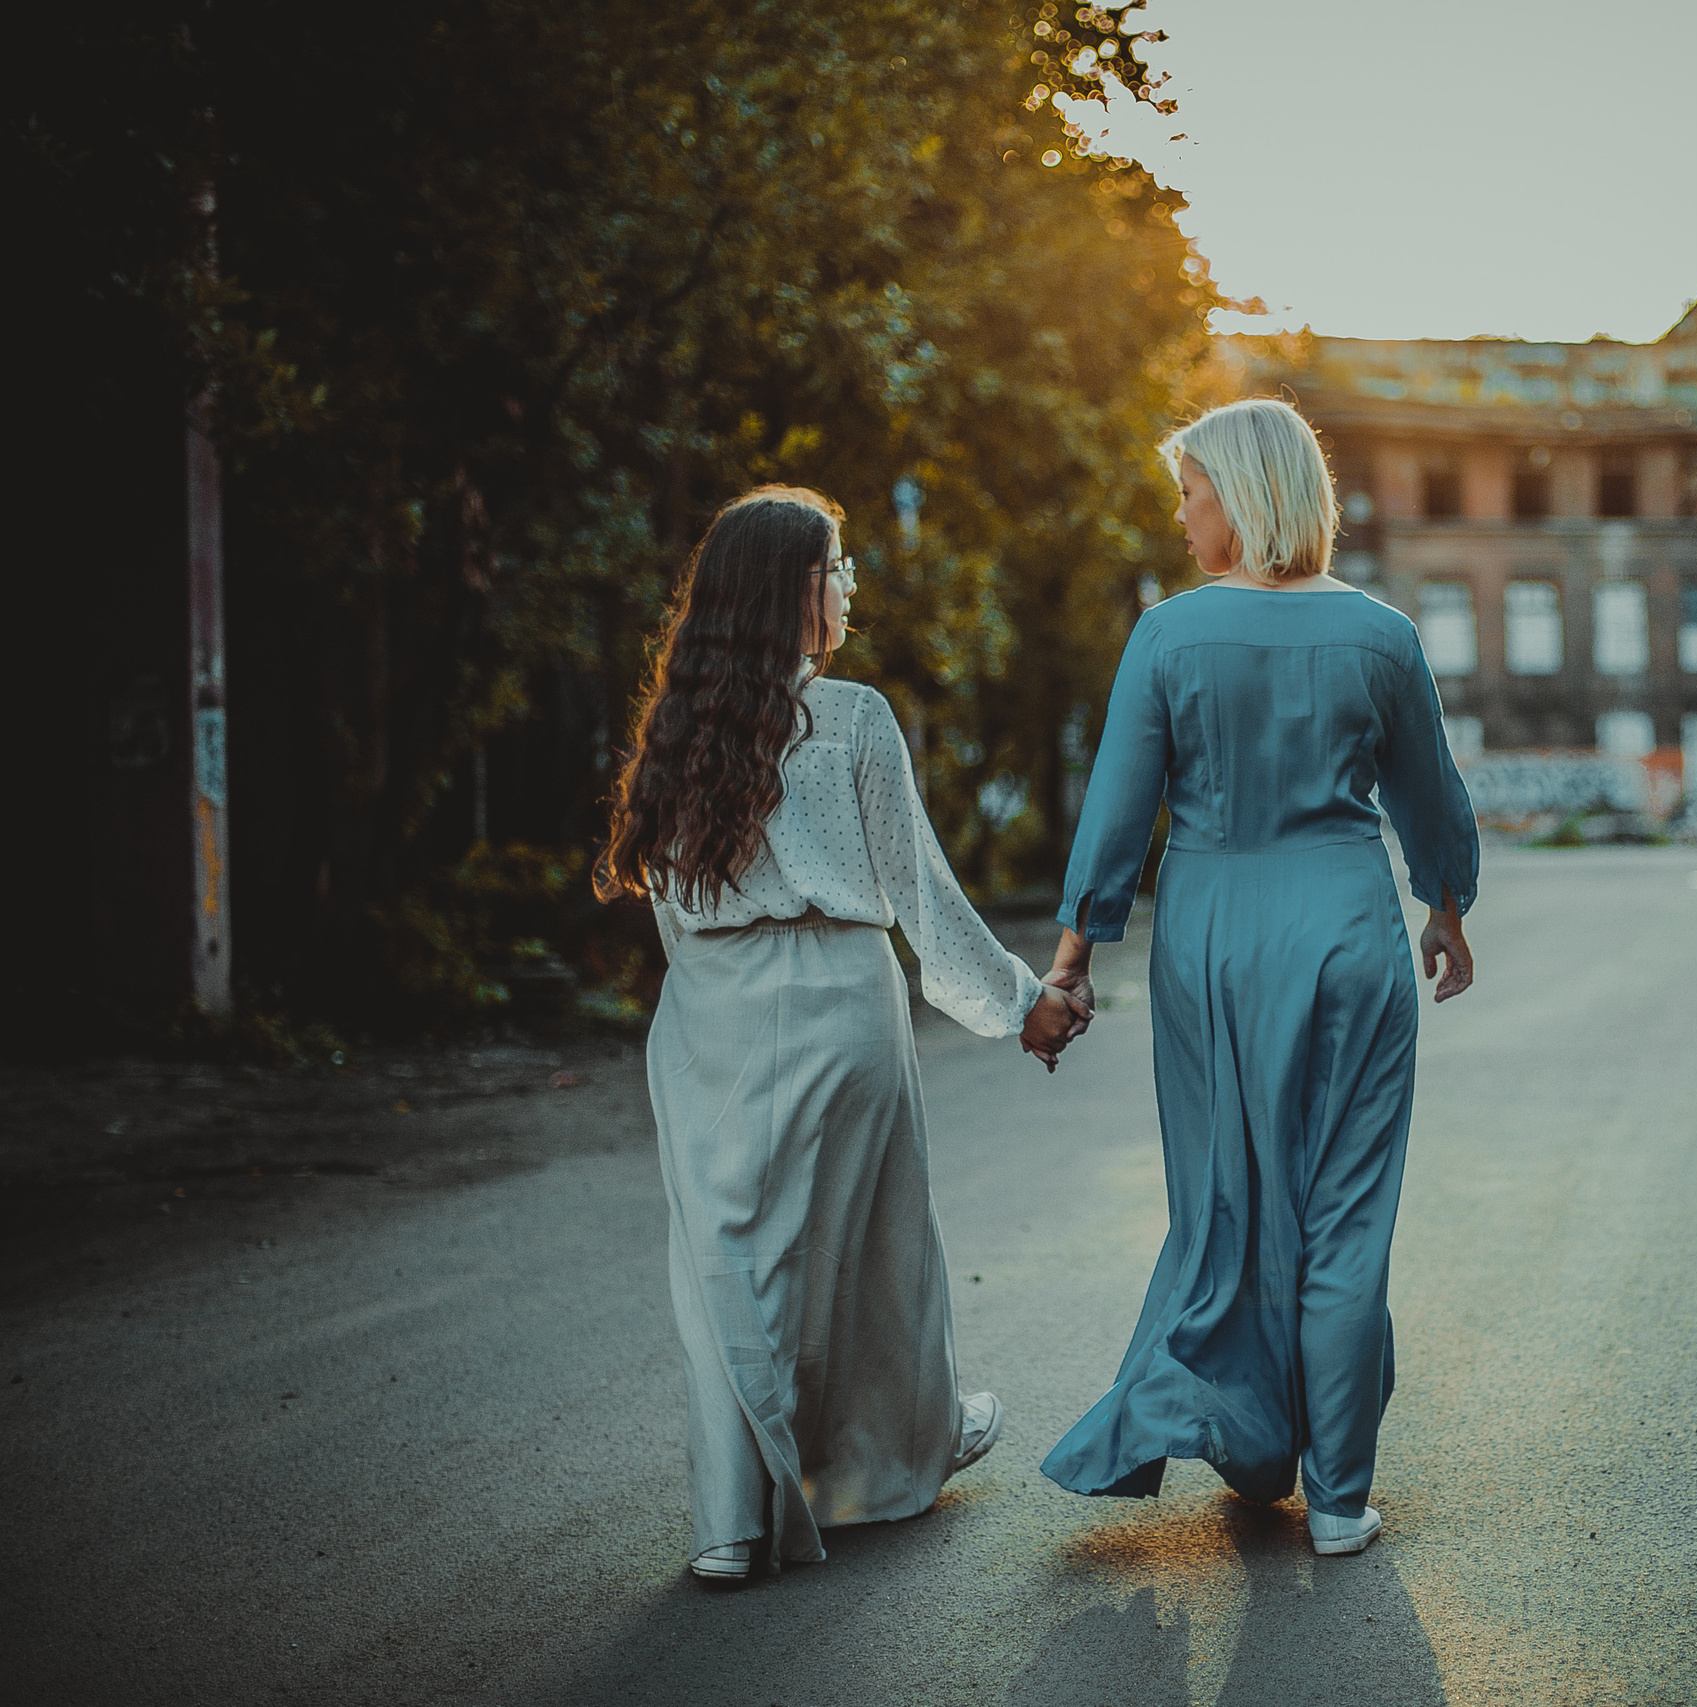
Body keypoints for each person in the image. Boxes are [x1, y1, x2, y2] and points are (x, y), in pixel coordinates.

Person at [595, 485, 1091, 1583]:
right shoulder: (854, 719)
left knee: (729, 1263)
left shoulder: (675, 731)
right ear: (792, 593)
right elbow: (923, 900)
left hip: (707, 1017)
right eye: (838, 567)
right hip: (840, 1003)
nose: (851, 584)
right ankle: (896, 1450)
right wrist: (1023, 1006)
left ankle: (729, 1521)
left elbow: (670, 905)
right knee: (871, 1254)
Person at [1038, 398, 1481, 1556]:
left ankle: (1249, 1446)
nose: (1182, 518)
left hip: (1213, 938)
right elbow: (1428, 795)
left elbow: (1119, 817)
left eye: (1190, 493)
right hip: (1346, 925)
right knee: (1345, 1217)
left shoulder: (1168, 637)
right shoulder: (1380, 633)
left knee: (1226, 1200)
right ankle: (1336, 1500)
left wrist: (1073, 960)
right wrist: (1444, 908)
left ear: (1237, 496)